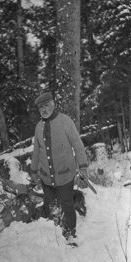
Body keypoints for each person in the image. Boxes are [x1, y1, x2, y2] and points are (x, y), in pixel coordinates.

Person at [30, 92, 88, 245]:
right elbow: (36, 150)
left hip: (65, 175)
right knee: (50, 206)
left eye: (47, 105)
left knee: (66, 205)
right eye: (40, 107)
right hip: (46, 177)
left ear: (53, 104)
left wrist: (83, 167)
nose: (44, 109)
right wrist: (34, 171)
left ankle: (69, 236)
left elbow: (78, 145)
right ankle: (55, 234)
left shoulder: (65, 121)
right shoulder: (38, 127)